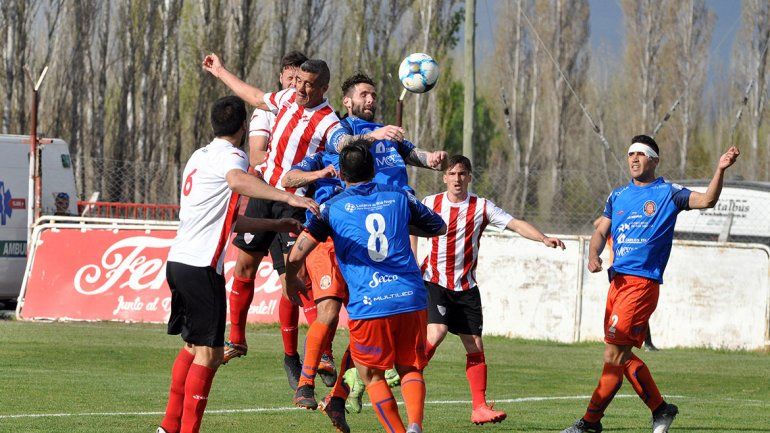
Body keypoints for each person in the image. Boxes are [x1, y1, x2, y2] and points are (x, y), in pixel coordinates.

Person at [202, 55, 404, 386]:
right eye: (298, 82)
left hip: (294, 203)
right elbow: (254, 96)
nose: (300, 89)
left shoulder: (328, 122)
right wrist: (221, 71)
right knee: (243, 268)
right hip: (264, 192)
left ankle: (321, 353)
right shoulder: (284, 98)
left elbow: (346, 143)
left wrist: (375, 134)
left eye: (308, 85)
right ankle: (236, 340)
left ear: (323, 87)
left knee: (294, 281)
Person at [280, 72, 447, 421]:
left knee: (369, 316)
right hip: (334, 231)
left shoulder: (389, 136)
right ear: (348, 101)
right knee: (329, 310)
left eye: (373, 94)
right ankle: (306, 384)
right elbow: (290, 177)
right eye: (363, 95)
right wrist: (320, 175)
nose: (370, 100)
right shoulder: (334, 136)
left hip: (385, 233)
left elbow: (412, 152)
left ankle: (338, 396)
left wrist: (430, 158)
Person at [157, 95, 318, 433]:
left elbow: (229, 221)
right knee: (210, 355)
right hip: (201, 267)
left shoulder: (198, 156)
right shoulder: (234, 156)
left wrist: (275, 225)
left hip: (179, 262)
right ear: (244, 127)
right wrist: (288, 196)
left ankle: (169, 427)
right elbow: (237, 180)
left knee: (192, 347)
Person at [560, 135, 739, 433]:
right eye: (630, 154)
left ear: (654, 160)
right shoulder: (617, 196)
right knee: (624, 355)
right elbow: (600, 231)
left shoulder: (668, 193)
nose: (634, 159)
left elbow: (707, 200)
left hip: (641, 285)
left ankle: (589, 423)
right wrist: (593, 254)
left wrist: (720, 169)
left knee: (613, 356)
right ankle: (661, 410)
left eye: (641, 154)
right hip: (616, 283)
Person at [421, 155, 566, 425]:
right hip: (435, 281)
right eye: (452, 173)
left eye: (462, 174)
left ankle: (479, 407)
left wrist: (543, 238)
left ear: (469, 177)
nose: (457, 179)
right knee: (437, 332)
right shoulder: (430, 203)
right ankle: (410, 372)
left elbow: (515, 223)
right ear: (444, 177)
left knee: (475, 346)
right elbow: (408, 225)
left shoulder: (481, 207)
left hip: (466, 287)